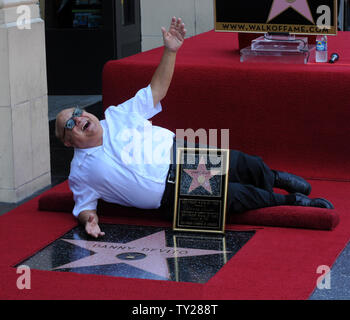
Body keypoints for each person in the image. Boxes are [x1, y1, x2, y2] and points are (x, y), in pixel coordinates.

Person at [55, 17, 334, 239]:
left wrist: (170, 51)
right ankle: (293, 201)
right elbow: (84, 207)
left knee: (243, 164)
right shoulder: (81, 173)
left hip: (183, 155)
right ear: (68, 141)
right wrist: (88, 221)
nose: (79, 119)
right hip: (170, 194)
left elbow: (156, 90)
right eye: (70, 123)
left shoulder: (116, 116)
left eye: (77, 112)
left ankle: (276, 178)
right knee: (238, 197)